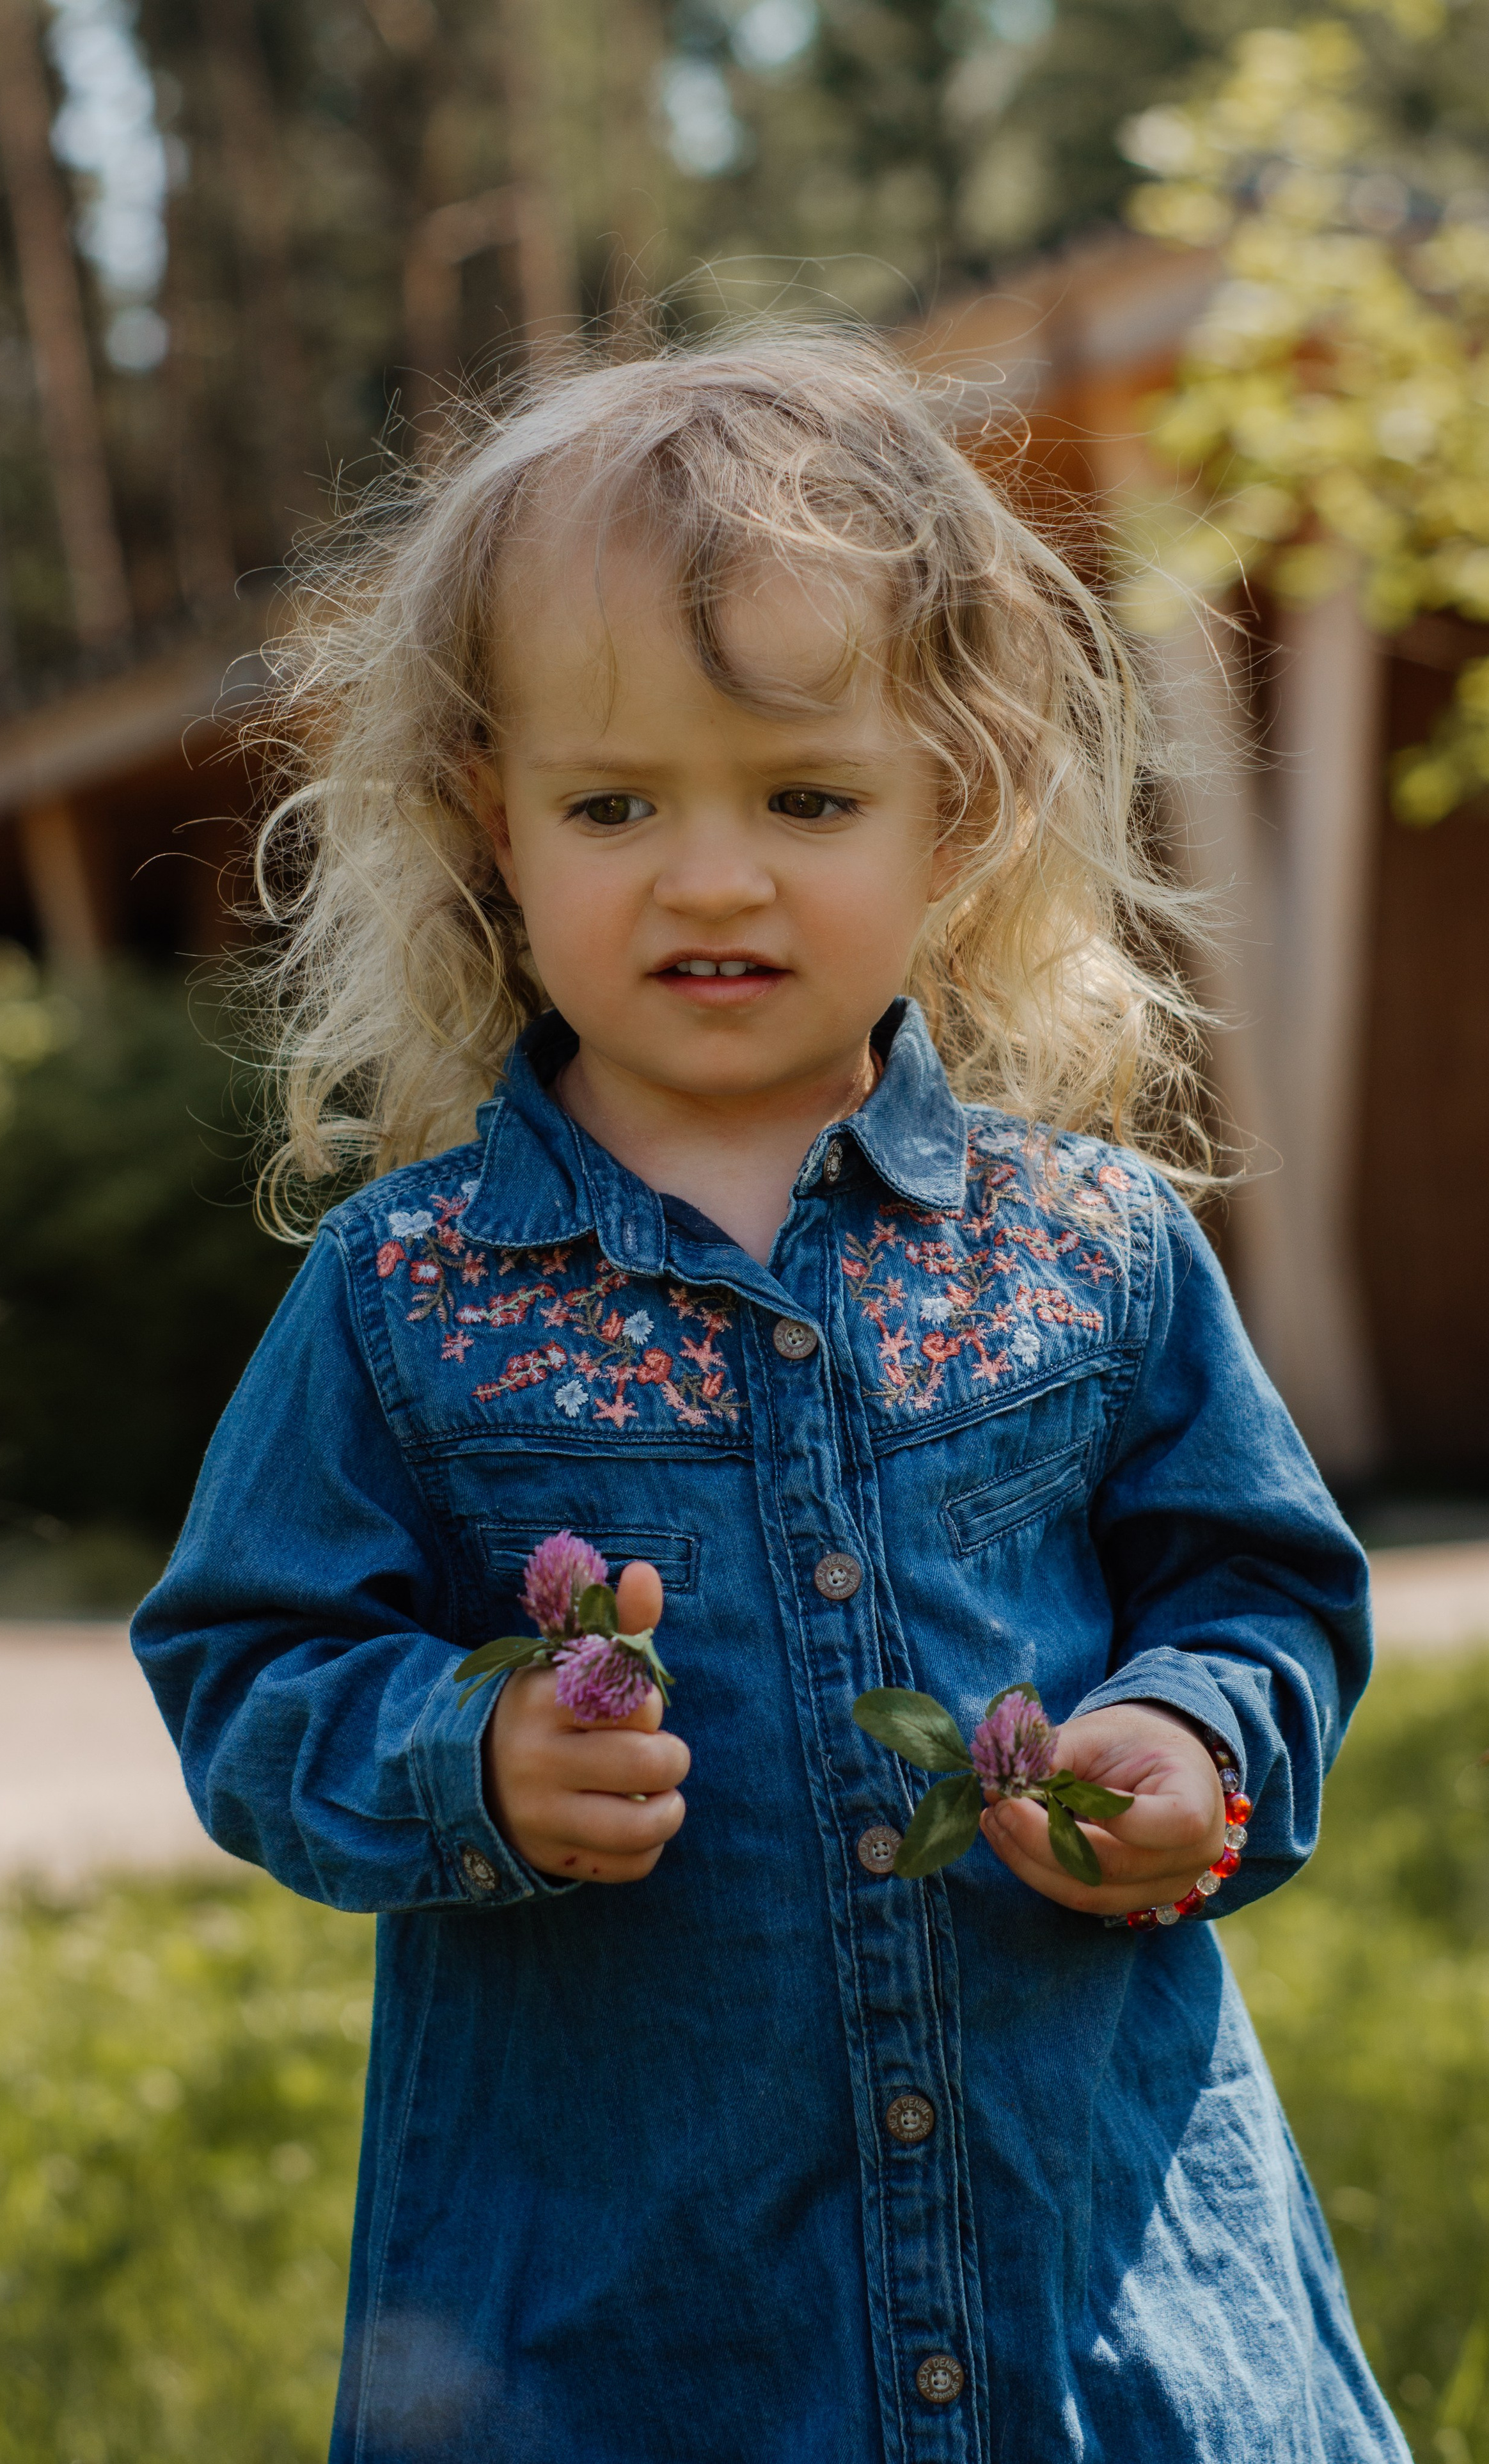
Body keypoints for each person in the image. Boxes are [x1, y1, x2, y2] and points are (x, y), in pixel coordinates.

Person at [132, 329, 1402, 2464]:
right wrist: (467, 1749)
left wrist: (1192, 1737)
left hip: (1092, 2276)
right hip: (625, 2319)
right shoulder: (407, 1294)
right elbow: (246, 1662)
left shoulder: (1083, 1241)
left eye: (807, 799)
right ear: (493, 823)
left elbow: (1262, 1587)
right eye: (615, 802)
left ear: (959, 814)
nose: (708, 875)